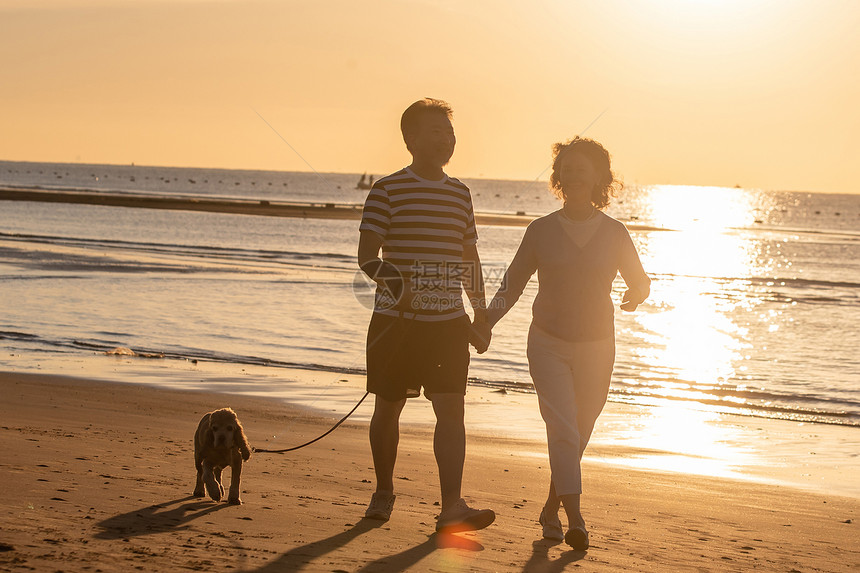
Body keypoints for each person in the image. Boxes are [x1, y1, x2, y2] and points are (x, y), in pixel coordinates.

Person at [485, 136, 650, 549]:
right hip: (548, 343)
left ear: (599, 178)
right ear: (558, 177)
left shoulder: (615, 232)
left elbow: (639, 279)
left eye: (582, 168)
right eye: (567, 168)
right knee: (563, 429)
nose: (573, 174)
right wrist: (485, 321)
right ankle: (574, 519)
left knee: (580, 430)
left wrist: (638, 294)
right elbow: (513, 283)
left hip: (598, 345)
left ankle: (550, 508)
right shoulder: (540, 230)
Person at [357, 98, 495, 533]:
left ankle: (452, 505)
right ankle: (383, 491)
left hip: (448, 324)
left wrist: (480, 314)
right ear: (411, 139)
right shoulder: (387, 189)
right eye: (435, 131)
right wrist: (401, 289)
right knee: (388, 407)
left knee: (451, 410)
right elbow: (366, 257)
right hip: (396, 324)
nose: (446, 139)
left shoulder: (460, 193)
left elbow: (469, 257)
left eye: (450, 132)